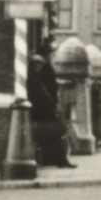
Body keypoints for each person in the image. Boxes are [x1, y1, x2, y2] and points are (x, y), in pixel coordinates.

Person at [28, 39, 75, 168]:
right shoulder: (45, 68)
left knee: (50, 133)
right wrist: (52, 102)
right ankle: (60, 160)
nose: (53, 56)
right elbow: (47, 87)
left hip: (45, 106)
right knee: (56, 131)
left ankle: (51, 159)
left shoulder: (42, 68)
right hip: (45, 107)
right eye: (51, 53)